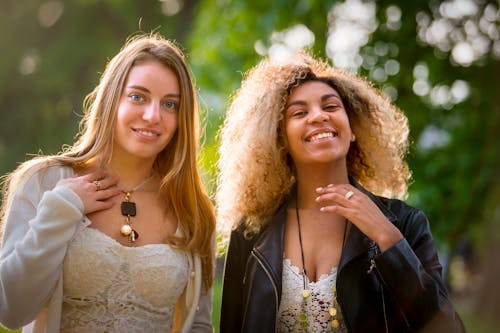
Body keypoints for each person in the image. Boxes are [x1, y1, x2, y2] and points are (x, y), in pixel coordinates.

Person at [217, 51, 465, 333]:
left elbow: (448, 327)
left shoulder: (405, 223)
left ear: (354, 127)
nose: (318, 116)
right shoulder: (251, 232)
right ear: (280, 139)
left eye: (331, 107)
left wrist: (389, 240)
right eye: (299, 112)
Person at [0, 33, 215, 333]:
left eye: (170, 104)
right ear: (112, 99)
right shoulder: (43, 181)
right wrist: (62, 207)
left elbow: (199, 326)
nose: (153, 116)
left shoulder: (191, 208)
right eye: (138, 97)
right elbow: (11, 310)